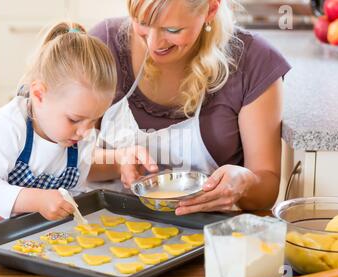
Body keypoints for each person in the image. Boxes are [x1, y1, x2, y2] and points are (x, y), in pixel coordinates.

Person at [88, 0, 292, 215]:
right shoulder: (104, 45)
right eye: (142, 23)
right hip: (110, 229)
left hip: (209, 236)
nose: (153, 43)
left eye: (172, 29)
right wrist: (118, 162)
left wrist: (245, 182)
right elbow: (65, 158)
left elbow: (266, 191)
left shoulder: (254, 62)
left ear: (211, 9)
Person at [0, 21, 124, 221]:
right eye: (74, 119)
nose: (85, 132)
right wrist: (36, 200)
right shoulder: (8, 125)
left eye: (94, 120)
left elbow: (74, 191)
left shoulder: (81, 140)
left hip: (7, 228)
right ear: (38, 94)